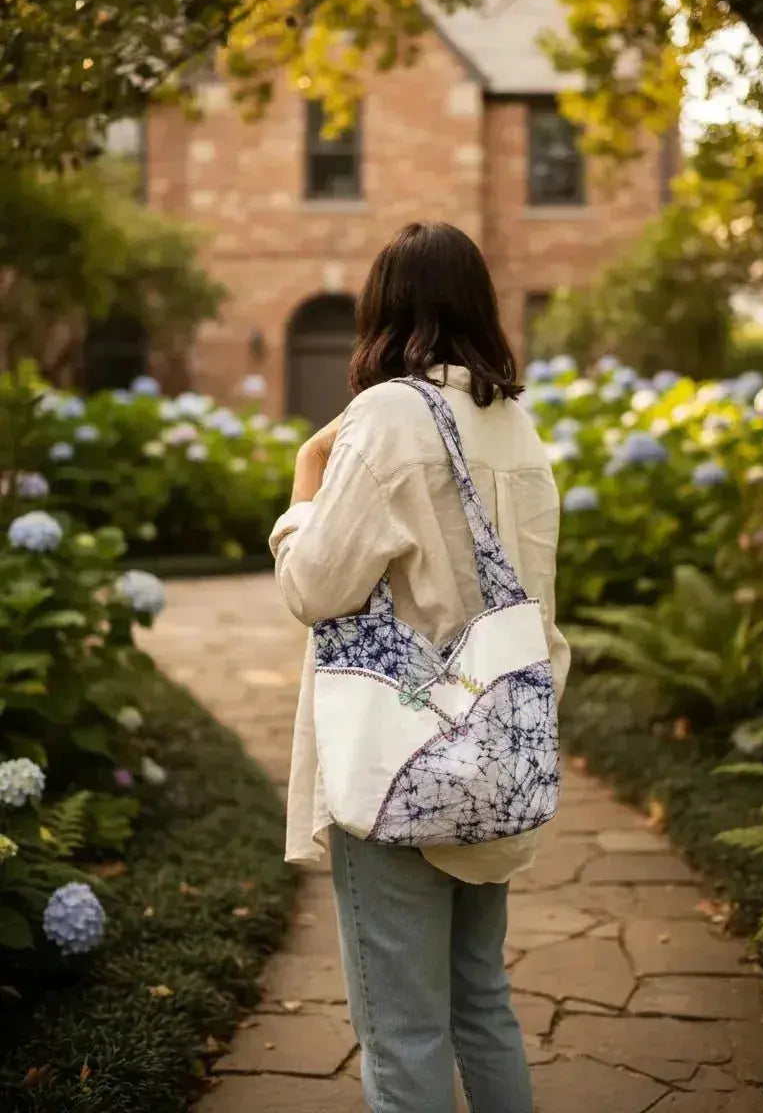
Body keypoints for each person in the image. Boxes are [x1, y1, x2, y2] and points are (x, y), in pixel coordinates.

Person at [269, 221, 570, 1113]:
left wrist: (303, 483)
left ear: (383, 309)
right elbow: (541, 600)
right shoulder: (515, 423)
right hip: (498, 752)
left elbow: (314, 586)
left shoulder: (388, 415)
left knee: (403, 1033)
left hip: (399, 754)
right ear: (479, 306)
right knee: (483, 1005)